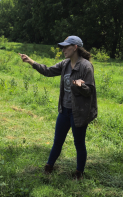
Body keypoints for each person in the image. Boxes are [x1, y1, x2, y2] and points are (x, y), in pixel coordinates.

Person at [19, 36, 97, 180]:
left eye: (66, 47)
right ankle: (49, 167)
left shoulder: (86, 66)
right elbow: (48, 71)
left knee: (79, 143)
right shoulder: (65, 64)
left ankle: (79, 173)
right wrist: (31, 61)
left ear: (75, 47)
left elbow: (90, 91)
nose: (63, 49)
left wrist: (81, 86)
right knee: (57, 141)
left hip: (78, 112)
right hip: (64, 110)